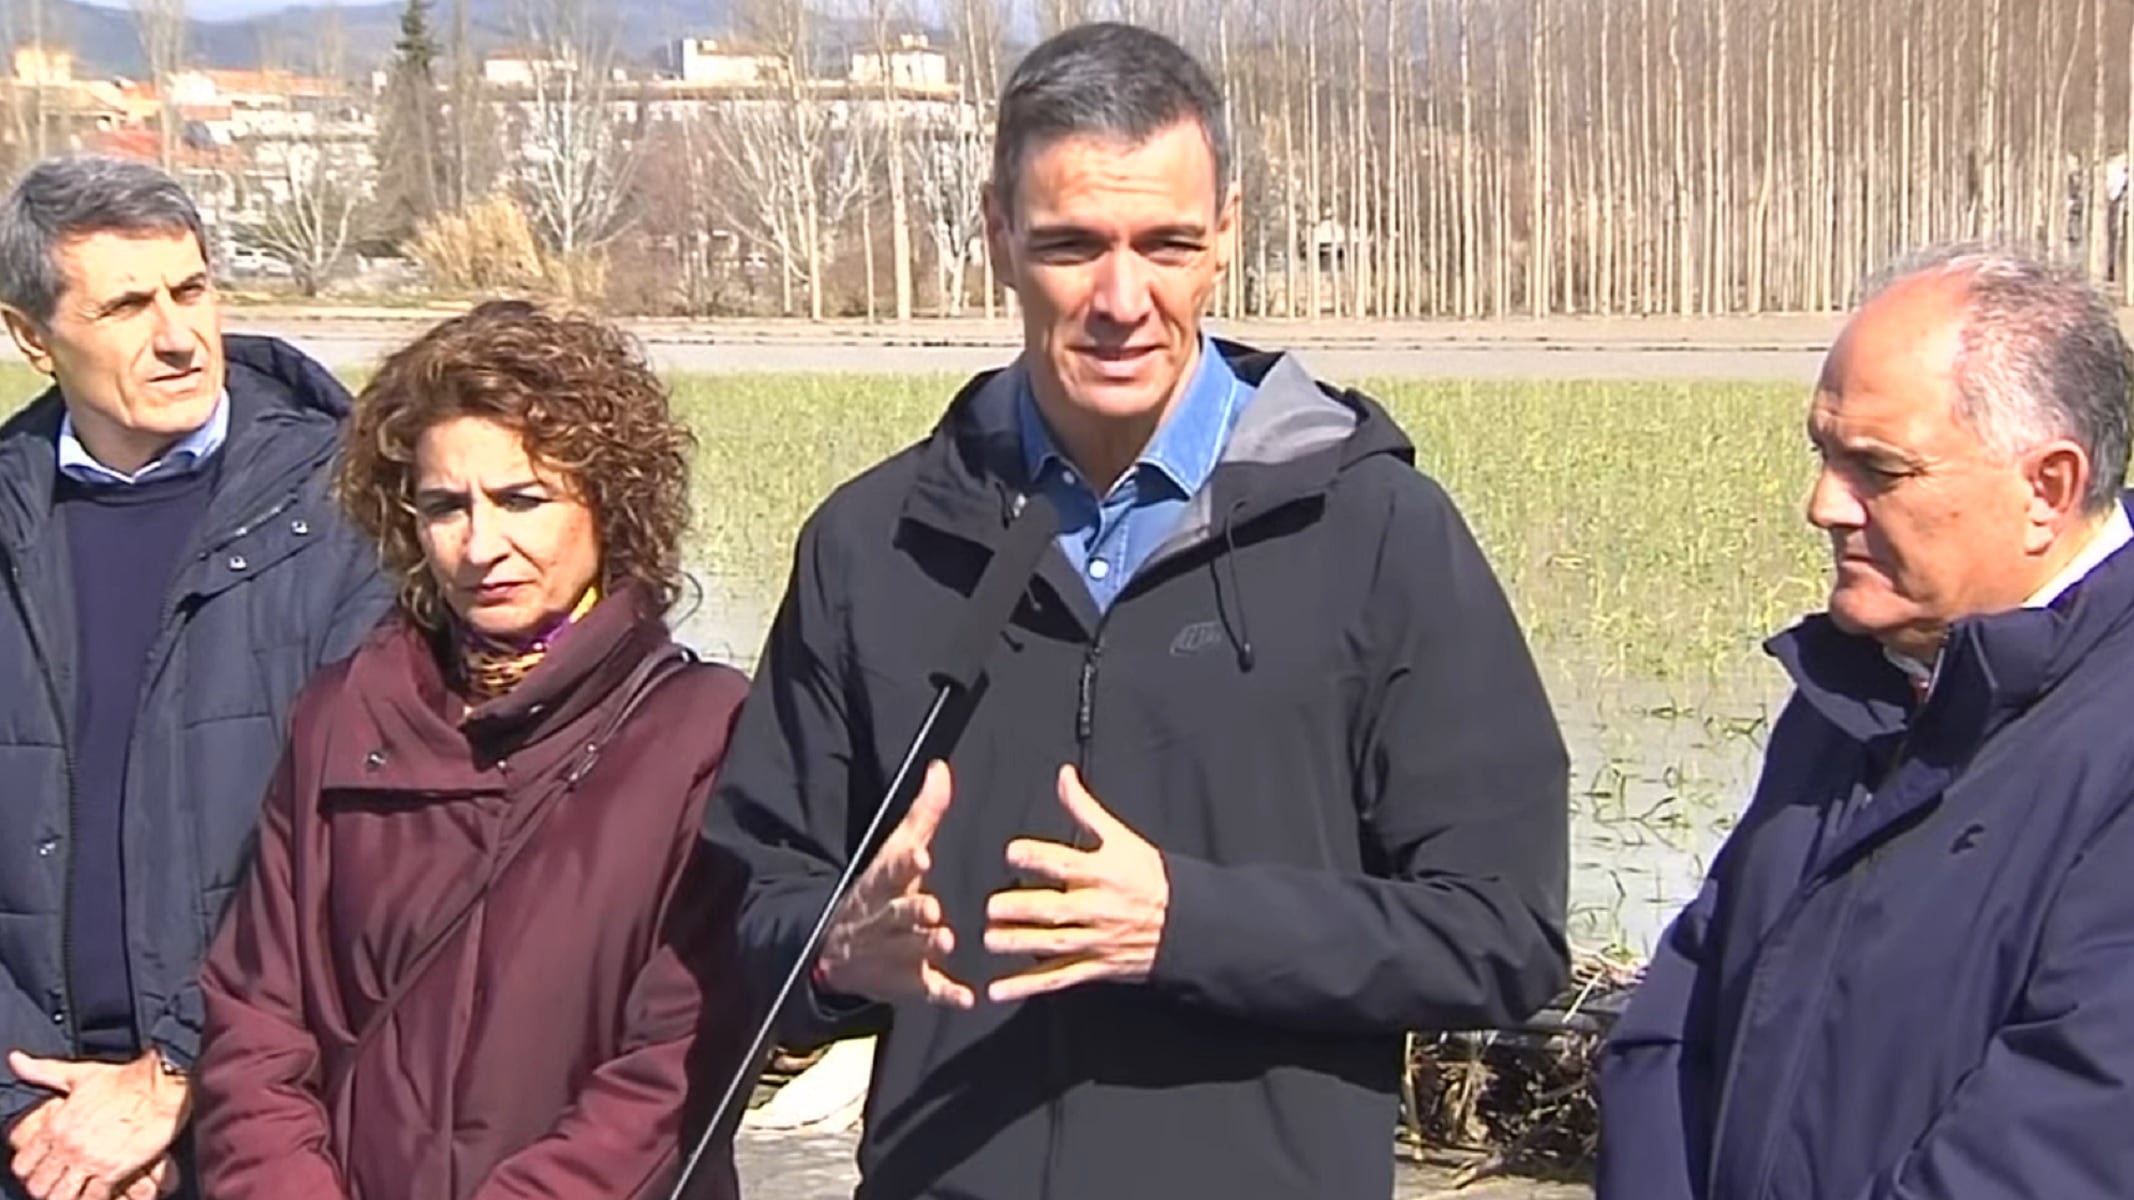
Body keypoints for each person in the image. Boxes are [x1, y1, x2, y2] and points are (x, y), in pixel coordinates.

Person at [700, 22, 1570, 1200]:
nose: (1122, 299)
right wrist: (835, 951)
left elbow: (1501, 933)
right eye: (1072, 245)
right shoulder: (874, 544)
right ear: (997, 234)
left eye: (1166, 244)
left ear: (1226, 235)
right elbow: (749, 901)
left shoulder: (1375, 533)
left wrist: (1189, 926)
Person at [1595, 246, 2134, 1200]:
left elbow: (2064, 1141)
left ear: (2046, 490)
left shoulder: (2108, 742)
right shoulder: (1861, 688)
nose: (1824, 506)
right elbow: (1678, 1017)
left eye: (1879, 469)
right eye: (1824, 453)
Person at [190, 299, 755, 1200]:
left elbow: (671, 1068)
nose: (481, 546)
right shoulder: (343, 718)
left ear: (608, 505)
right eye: (445, 506)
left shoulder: (702, 733)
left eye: (522, 500)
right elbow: (257, 1022)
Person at [0, 155, 393, 1200]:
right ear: (31, 336)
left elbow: (367, 843)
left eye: (191, 289)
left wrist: (176, 1070)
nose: (177, 336)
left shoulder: (351, 515)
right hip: (39, 1133)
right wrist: (34, 1116)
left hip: (272, 1118)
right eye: (127, 307)